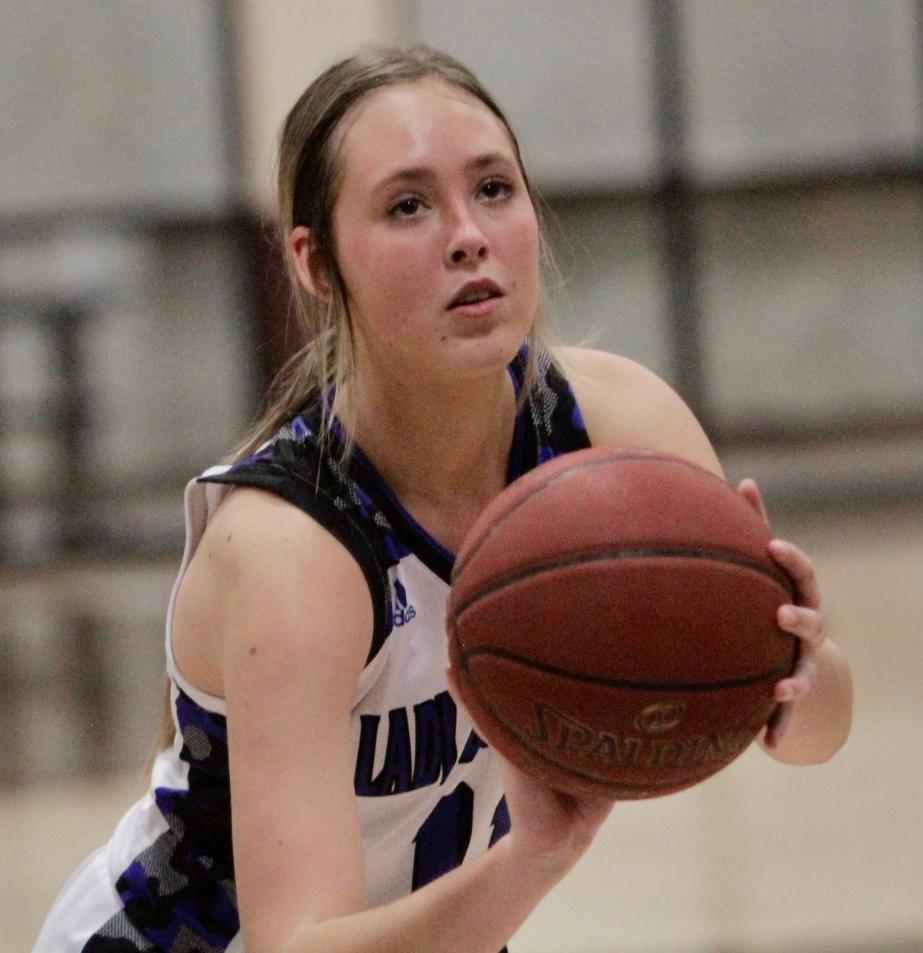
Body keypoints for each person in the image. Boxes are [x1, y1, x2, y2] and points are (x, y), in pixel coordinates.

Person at [33, 45, 853, 953]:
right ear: (313, 261)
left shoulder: (618, 424)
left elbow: (809, 732)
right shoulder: (294, 549)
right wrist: (531, 860)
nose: (468, 234)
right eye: (408, 205)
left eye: (494, 189)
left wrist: (795, 661)